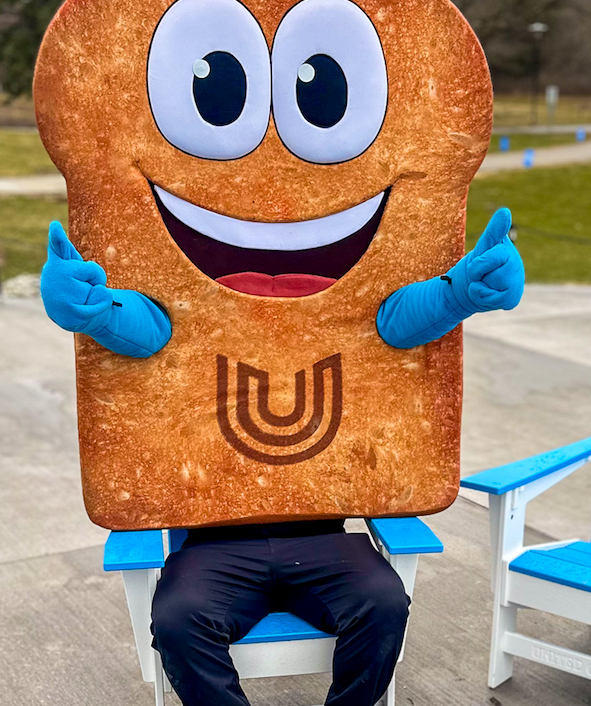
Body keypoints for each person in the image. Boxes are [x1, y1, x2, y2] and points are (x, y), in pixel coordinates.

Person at [40, 207, 524, 706]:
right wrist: (98, 311)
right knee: (178, 617)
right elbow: (153, 328)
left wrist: (458, 291)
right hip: (213, 545)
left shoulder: (340, 318)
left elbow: (390, 321)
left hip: (321, 536)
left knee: (382, 603)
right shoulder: (192, 320)